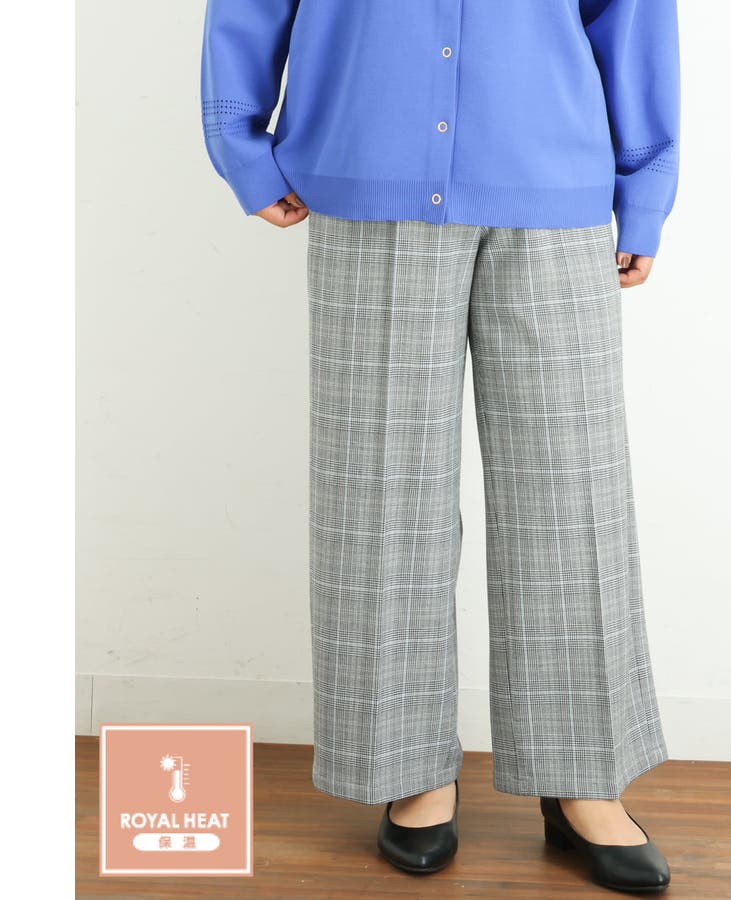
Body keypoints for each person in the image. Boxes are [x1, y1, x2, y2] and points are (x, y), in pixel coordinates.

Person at [200, 0, 680, 892]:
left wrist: (644, 187)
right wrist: (239, 142)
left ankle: (582, 775)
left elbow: (634, 16)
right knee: (380, 499)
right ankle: (407, 767)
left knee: (570, 497)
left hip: (553, 185)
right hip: (368, 177)